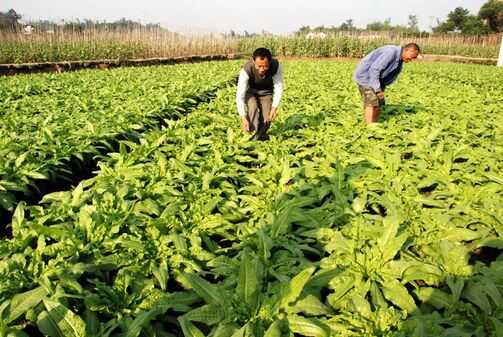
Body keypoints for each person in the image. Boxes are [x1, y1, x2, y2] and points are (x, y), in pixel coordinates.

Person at [354, 43, 421, 124]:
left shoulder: (400, 58)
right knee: (372, 103)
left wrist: (381, 87)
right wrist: (378, 90)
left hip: (379, 79)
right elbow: (374, 70)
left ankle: (375, 124)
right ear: (407, 50)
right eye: (413, 56)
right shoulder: (391, 52)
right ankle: (369, 127)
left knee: (379, 103)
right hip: (366, 76)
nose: (412, 59)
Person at [236, 48, 284, 140]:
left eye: (265, 66)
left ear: (269, 62)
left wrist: (274, 107)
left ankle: (260, 135)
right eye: (259, 66)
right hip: (250, 91)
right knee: (252, 107)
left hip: (266, 92)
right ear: (253, 61)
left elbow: (279, 88)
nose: (262, 69)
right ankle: (250, 134)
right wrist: (243, 117)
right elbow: (240, 95)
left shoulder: (276, 66)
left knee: (267, 117)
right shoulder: (246, 69)